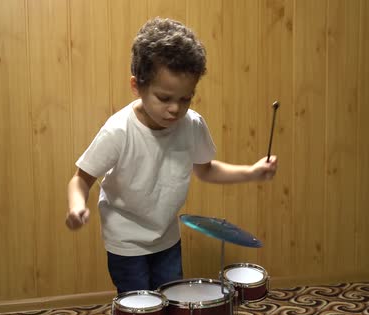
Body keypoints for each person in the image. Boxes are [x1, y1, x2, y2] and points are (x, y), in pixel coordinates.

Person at [65, 17, 278, 294]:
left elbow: (206, 169)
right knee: (139, 311)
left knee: (172, 304)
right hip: (125, 241)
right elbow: (81, 178)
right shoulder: (119, 131)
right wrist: (76, 206)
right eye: (164, 98)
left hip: (166, 237)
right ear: (136, 86)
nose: (175, 109)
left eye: (185, 98)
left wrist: (251, 172)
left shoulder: (192, 124)